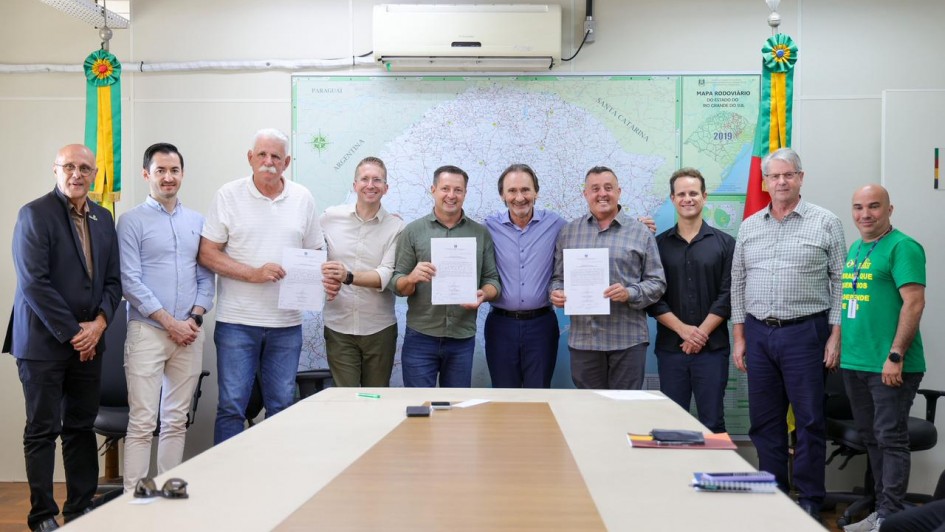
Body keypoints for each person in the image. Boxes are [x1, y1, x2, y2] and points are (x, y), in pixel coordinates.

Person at [5, 144, 121, 531]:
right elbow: (34, 284)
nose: (77, 173)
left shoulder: (104, 218)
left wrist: (100, 324)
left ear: (94, 174)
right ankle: (41, 515)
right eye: (69, 166)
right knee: (42, 430)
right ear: (55, 170)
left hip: (90, 342)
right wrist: (76, 334)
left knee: (80, 426)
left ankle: (79, 507)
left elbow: (112, 281)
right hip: (42, 344)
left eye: (85, 168)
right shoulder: (34, 214)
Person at [731, 147, 846, 520]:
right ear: (765, 182)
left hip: (806, 334)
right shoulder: (749, 226)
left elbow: (841, 283)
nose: (781, 181)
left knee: (811, 421)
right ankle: (774, 497)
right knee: (765, 423)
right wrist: (740, 336)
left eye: (788, 175)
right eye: (774, 176)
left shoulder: (826, 222)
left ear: (800, 177)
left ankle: (811, 501)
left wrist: (835, 335)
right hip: (759, 333)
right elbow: (738, 283)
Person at [199, 128, 325, 444]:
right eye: (262, 155)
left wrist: (316, 275)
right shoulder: (228, 195)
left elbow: (316, 252)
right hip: (237, 323)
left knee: (282, 406)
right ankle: (226, 480)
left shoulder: (302, 197)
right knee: (231, 407)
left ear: (287, 162)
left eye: (276, 157)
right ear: (250, 157)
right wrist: (253, 274)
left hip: (286, 325)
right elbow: (207, 253)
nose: (269, 162)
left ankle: (275, 482)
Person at [116, 143, 215, 492]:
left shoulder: (197, 222)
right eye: (160, 171)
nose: (168, 177)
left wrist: (195, 319)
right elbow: (130, 281)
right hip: (148, 331)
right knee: (142, 422)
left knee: (175, 421)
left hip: (189, 333)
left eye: (174, 170)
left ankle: (168, 491)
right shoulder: (130, 221)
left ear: (182, 174)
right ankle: (133, 497)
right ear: (147, 175)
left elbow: (206, 277)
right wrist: (169, 322)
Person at [839, 185, 926, 532]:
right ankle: (880, 512)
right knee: (872, 438)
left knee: (891, 439)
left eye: (874, 206)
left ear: (890, 209)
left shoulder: (903, 246)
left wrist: (896, 354)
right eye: (858, 207)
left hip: (890, 365)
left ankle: (891, 519)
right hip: (856, 363)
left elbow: (914, 302)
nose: (865, 214)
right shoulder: (857, 248)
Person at [549, 166, 665, 390]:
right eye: (595, 189)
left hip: (627, 341)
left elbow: (657, 283)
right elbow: (557, 278)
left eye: (608, 188)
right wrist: (556, 292)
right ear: (585, 194)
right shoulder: (569, 232)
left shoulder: (641, 232)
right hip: (584, 342)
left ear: (619, 192)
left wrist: (629, 293)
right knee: (589, 413)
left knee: (625, 411)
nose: (602, 193)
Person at [388, 165, 501, 387]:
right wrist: (411, 278)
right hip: (421, 337)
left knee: (456, 410)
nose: (451, 195)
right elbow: (396, 282)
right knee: (420, 407)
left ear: (465, 193)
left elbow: (493, 281)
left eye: (458, 190)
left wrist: (483, 294)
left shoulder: (480, 233)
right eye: (445, 188)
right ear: (433, 190)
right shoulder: (413, 231)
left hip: (462, 338)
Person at [647, 168, 734, 433]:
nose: (688, 199)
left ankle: (714, 475)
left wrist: (700, 334)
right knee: (673, 425)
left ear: (704, 197)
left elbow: (728, 295)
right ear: (673, 198)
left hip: (713, 350)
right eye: (681, 194)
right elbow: (653, 298)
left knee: (713, 423)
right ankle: (676, 476)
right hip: (672, 350)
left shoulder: (726, 244)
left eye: (693, 193)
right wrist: (684, 331)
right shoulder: (657, 245)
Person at [319, 157, 405, 387]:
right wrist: (324, 278)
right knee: (345, 400)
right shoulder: (328, 218)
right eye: (365, 179)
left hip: (379, 329)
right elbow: (311, 258)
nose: (370, 185)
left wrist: (346, 276)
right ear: (354, 185)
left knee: (376, 398)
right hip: (339, 326)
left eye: (377, 180)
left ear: (386, 188)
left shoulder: (396, 227)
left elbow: (385, 275)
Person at [483, 164, 566, 388]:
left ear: (536, 192)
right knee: (504, 394)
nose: (519, 197)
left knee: (538, 393)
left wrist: (634, 226)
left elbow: (589, 234)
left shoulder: (556, 224)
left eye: (526, 190)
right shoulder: (488, 227)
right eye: (512, 191)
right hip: (500, 325)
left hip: (542, 325)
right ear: (502, 194)